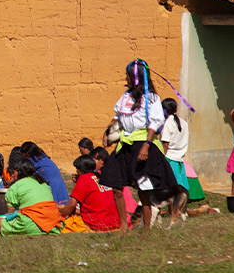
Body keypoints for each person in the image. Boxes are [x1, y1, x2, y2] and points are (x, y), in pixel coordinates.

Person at [99, 59, 185, 231]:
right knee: (115, 185)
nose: (126, 78)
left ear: (136, 77)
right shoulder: (126, 96)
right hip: (124, 146)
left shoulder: (151, 98)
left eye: (128, 76)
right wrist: (108, 131)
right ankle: (124, 227)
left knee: (143, 189)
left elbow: (154, 123)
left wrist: (146, 146)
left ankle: (146, 229)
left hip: (141, 145)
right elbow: (117, 115)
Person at [61, 155, 137, 232]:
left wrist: (59, 216)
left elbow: (72, 204)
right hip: (115, 223)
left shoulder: (84, 178)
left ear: (80, 170)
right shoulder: (102, 175)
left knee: (64, 225)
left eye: (77, 169)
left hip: (96, 224)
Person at [0, 158, 63, 236]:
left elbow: (9, 214)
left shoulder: (16, 186)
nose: (11, 174)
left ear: (19, 172)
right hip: (53, 224)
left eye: (13, 172)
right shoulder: (43, 183)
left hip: (31, 224)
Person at [161, 97, 190, 192]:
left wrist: (161, 159)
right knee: (181, 191)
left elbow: (165, 144)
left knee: (173, 192)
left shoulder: (168, 123)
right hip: (180, 159)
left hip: (170, 159)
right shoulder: (184, 123)